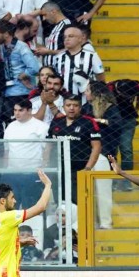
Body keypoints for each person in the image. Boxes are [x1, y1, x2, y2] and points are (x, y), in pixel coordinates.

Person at [48, 94, 101, 203]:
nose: (71, 108)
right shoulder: (56, 122)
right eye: (68, 105)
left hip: (79, 170)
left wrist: (87, 168)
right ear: (63, 107)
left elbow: (96, 147)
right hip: (59, 169)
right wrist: (46, 165)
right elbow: (49, 145)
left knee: (79, 202)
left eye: (75, 105)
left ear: (80, 107)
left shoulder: (88, 122)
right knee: (60, 202)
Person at [83, 81, 119, 228]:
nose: (85, 93)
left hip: (104, 153)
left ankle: (105, 222)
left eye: (87, 90)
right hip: (86, 153)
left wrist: (100, 121)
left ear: (96, 93)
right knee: (87, 191)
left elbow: (117, 125)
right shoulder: (86, 108)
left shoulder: (111, 108)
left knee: (103, 190)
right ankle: (90, 223)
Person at [35, 1, 72, 68]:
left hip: (59, 69)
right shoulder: (56, 26)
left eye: (45, 15)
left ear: (53, 11)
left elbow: (71, 50)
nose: (44, 19)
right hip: (51, 69)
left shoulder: (67, 26)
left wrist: (48, 51)